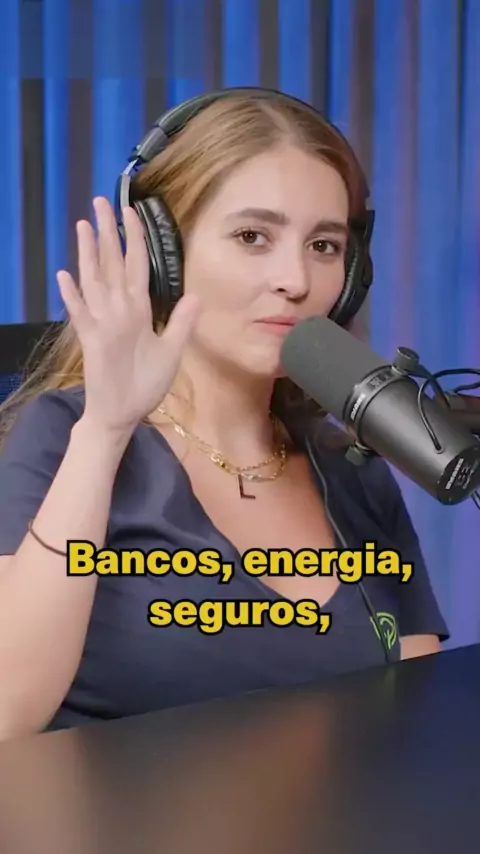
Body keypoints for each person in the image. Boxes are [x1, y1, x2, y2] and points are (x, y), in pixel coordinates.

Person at [0, 88, 448, 741]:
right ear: (164, 253)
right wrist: (106, 431)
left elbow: (416, 720)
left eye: (324, 246)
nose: (296, 279)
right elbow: (7, 714)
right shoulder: (63, 439)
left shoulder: (353, 468)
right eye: (251, 236)